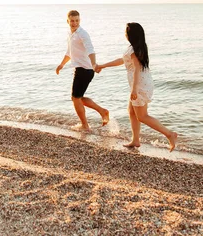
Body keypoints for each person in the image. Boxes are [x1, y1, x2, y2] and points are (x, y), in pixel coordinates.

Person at [96, 22, 177, 151]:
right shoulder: (134, 48)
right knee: (132, 112)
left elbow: (137, 69)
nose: (124, 33)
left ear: (130, 35)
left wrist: (134, 89)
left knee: (142, 116)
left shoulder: (134, 50)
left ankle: (170, 134)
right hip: (140, 84)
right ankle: (135, 140)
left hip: (139, 85)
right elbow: (122, 60)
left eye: (126, 31)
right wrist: (102, 66)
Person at [56, 10, 110, 131]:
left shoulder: (83, 34)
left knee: (75, 98)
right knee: (77, 98)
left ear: (80, 20)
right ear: (68, 21)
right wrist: (61, 64)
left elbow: (91, 50)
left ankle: (85, 125)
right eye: (72, 21)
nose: (75, 23)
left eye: (77, 20)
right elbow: (69, 52)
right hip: (79, 68)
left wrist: (94, 63)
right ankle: (102, 111)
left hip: (85, 69)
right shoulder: (70, 33)